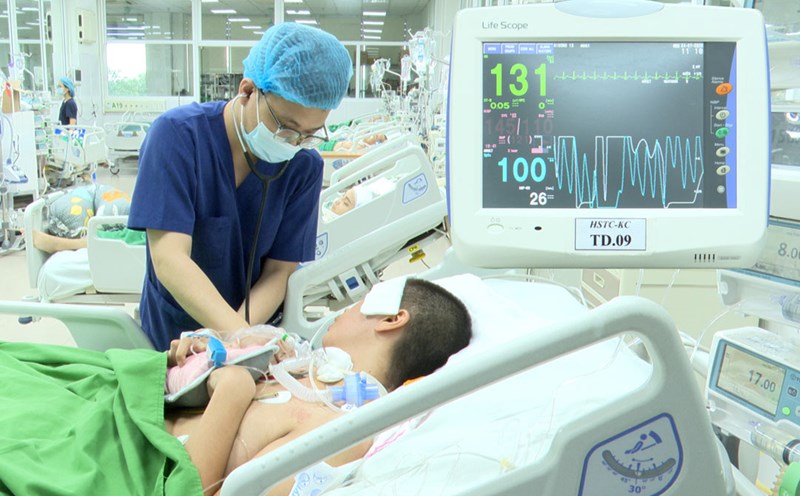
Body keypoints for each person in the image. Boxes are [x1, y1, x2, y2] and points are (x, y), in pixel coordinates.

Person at [0, 278, 473, 496]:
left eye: (363, 303)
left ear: (392, 319)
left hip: (113, 457)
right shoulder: (298, 359)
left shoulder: (345, 425)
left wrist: (232, 391)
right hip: (108, 401)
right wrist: (184, 360)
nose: (348, 307)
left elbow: (205, 490)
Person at [128, 23, 354, 351]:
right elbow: (169, 258)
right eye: (286, 127)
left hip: (252, 334)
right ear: (247, 90)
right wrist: (238, 337)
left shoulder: (304, 166)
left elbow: (279, 271)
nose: (295, 143)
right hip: (174, 338)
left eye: (310, 133)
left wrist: (240, 338)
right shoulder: (176, 137)